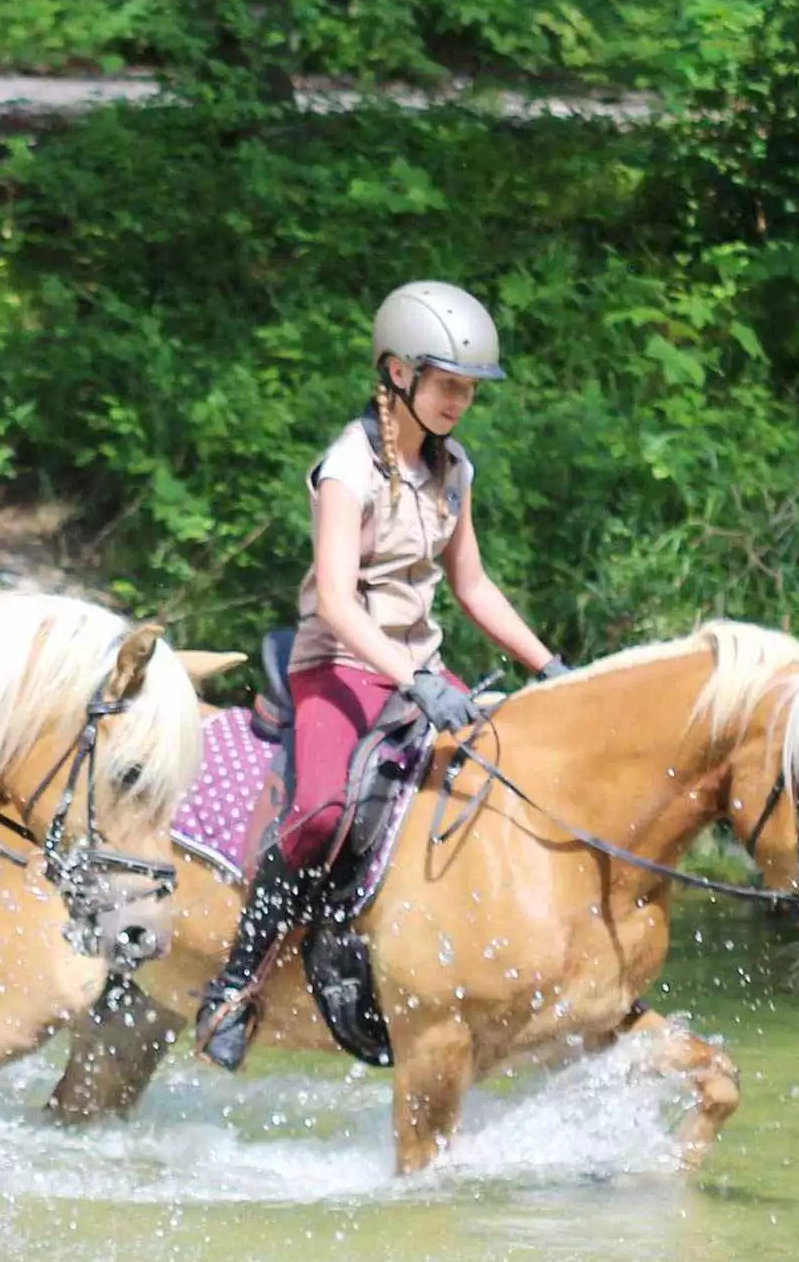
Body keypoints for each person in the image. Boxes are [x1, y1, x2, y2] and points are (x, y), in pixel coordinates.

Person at [195, 280, 566, 1070]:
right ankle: (235, 984)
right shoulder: (347, 467)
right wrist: (413, 677)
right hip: (339, 664)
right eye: (448, 385)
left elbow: (473, 586)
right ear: (399, 373)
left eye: (469, 389)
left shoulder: (455, 469)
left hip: (420, 669)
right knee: (321, 814)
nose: (460, 401)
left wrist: (552, 668)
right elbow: (336, 601)